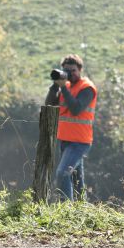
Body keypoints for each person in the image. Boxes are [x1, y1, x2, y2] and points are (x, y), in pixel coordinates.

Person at [45, 53, 97, 201]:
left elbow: (76, 109)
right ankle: (82, 209)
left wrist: (64, 89)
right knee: (77, 180)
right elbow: (49, 106)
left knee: (62, 173)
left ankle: (66, 208)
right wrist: (55, 87)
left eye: (73, 70)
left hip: (80, 142)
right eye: (66, 70)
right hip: (65, 140)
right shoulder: (64, 87)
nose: (70, 74)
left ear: (80, 69)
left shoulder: (87, 88)